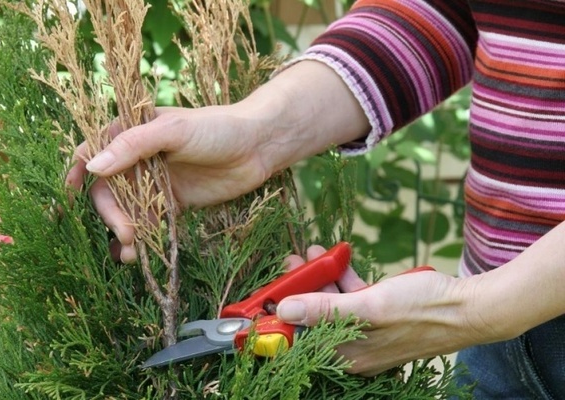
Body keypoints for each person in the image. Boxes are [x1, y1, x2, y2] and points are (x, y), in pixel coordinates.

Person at [66, 0, 565, 398]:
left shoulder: (486, 310)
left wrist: (484, 308)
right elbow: (444, 11)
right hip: (498, 344)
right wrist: (258, 134)